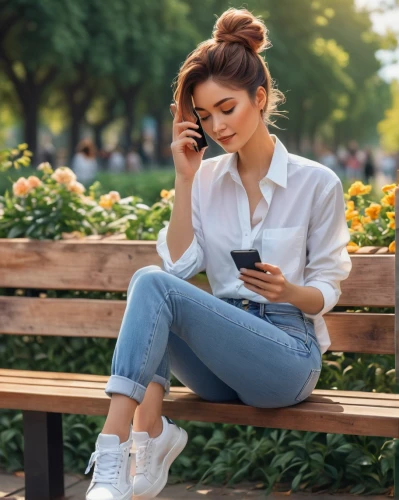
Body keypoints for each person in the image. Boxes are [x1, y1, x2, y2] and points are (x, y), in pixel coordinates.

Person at [85, 8, 352, 500]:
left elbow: (329, 287)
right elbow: (179, 268)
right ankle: (141, 437)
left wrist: (291, 291)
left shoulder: (318, 183)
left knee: (151, 283)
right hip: (218, 362)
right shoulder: (205, 179)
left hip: (287, 356)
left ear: (260, 98)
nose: (218, 126)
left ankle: (117, 447)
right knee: (150, 282)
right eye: (204, 116)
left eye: (227, 109)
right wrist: (185, 178)